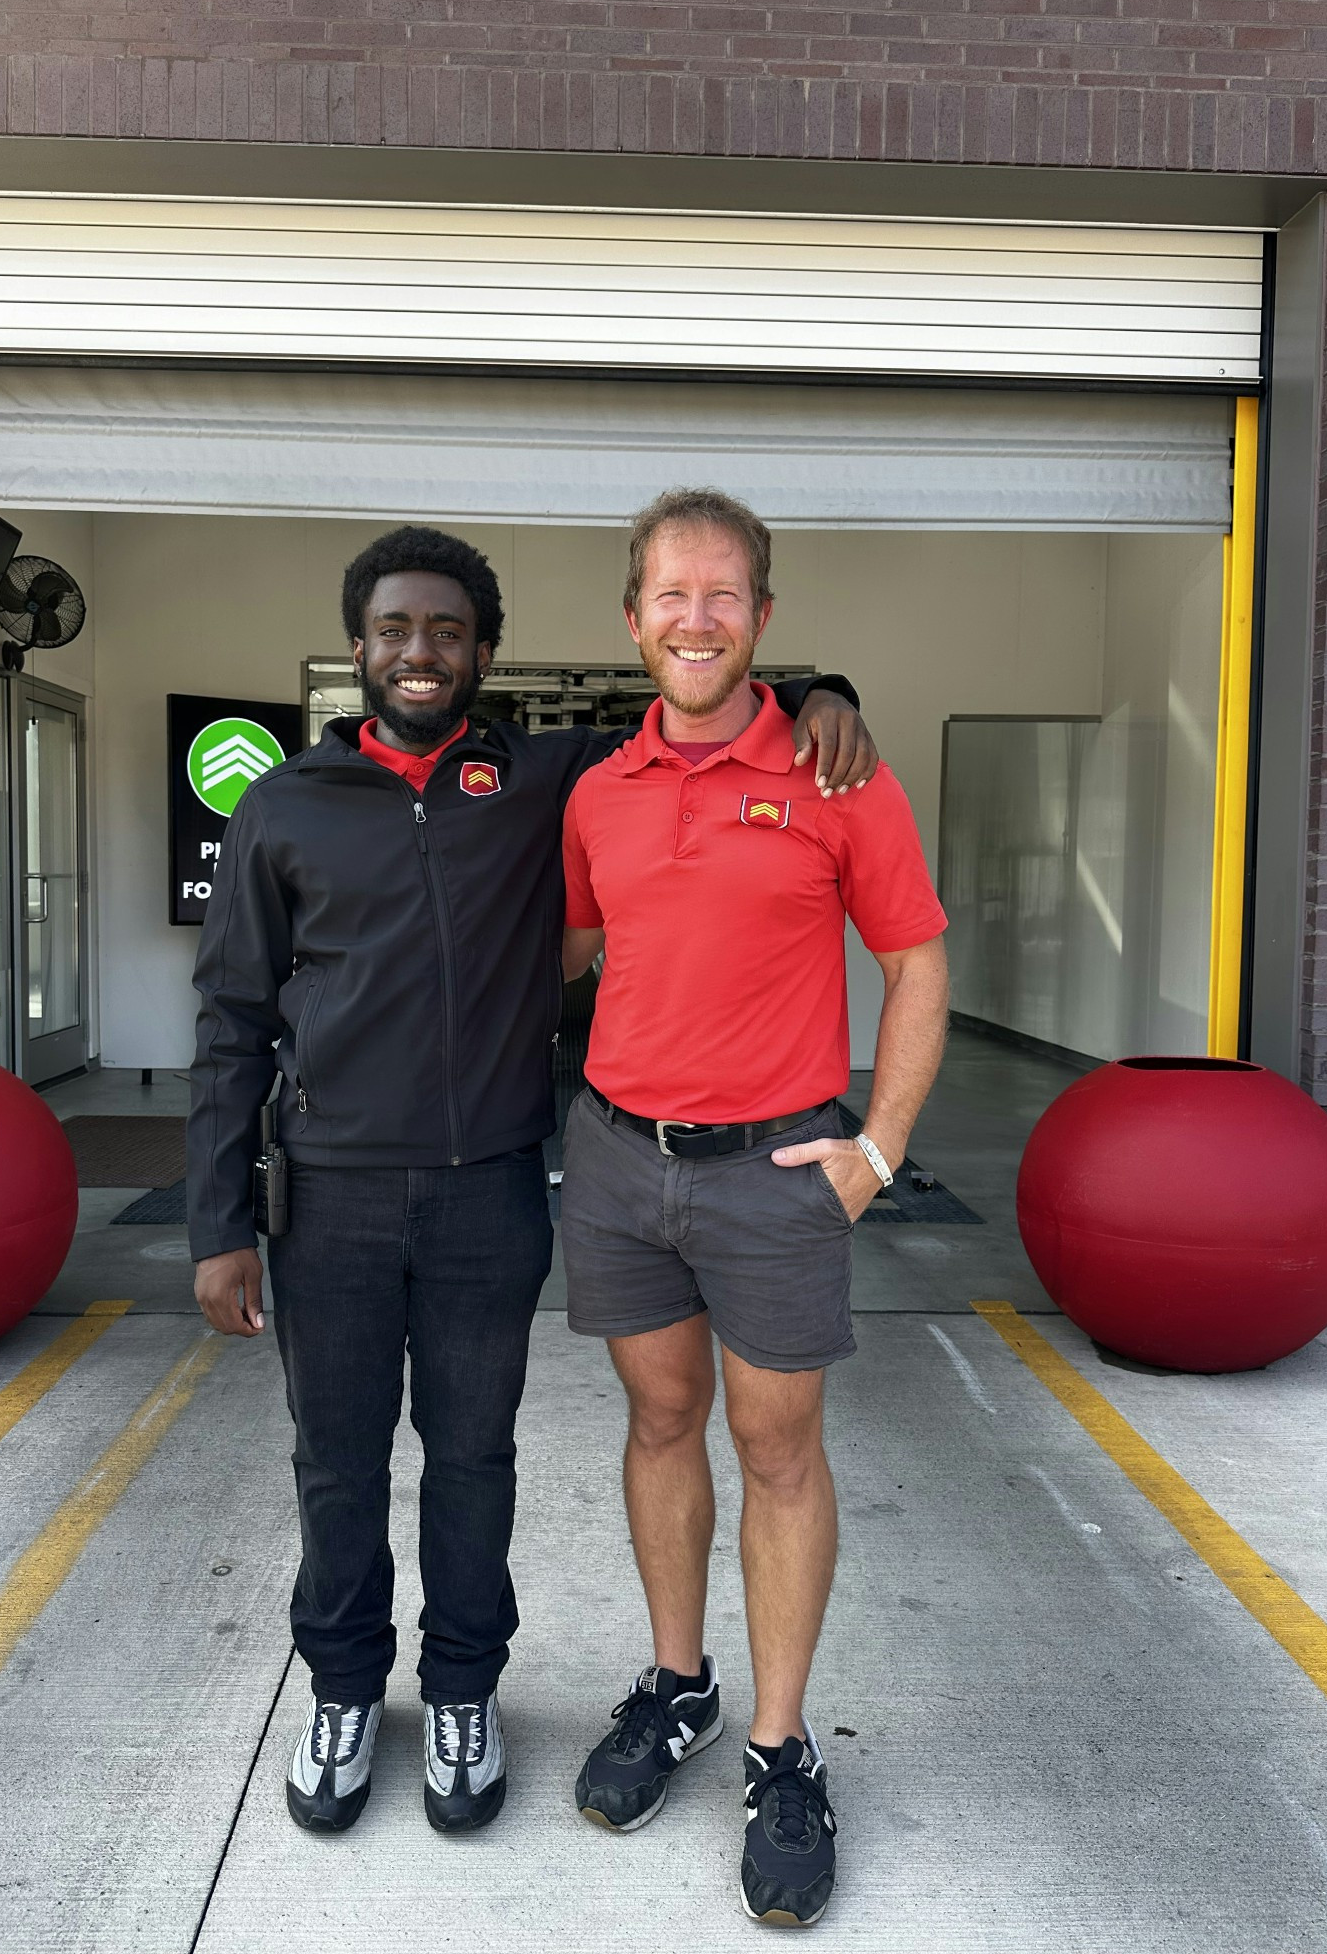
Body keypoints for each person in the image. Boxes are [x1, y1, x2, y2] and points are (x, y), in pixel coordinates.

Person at [186, 522, 877, 1840]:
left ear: (484, 652)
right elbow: (233, 1021)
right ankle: (341, 1687)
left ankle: (460, 1691)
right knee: (334, 1460)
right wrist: (220, 1224)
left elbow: (694, 695)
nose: (420, 652)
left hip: (487, 1196)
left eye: (447, 630)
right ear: (359, 646)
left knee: (474, 1459)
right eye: (396, 628)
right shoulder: (284, 807)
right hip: (324, 1201)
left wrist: (819, 696)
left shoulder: (546, 774)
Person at [560, 489, 950, 1926]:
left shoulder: (842, 776)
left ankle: (782, 1751)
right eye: (673, 593)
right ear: (635, 616)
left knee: (779, 1450)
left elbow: (915, 966)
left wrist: (880, 1146)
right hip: (615, 1162)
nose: (698, 617)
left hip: (779, 1170)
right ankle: (681, 1691)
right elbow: (575, 947)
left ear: (764, 622)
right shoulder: (597, 790)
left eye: (726, 594)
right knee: (658, 1422)